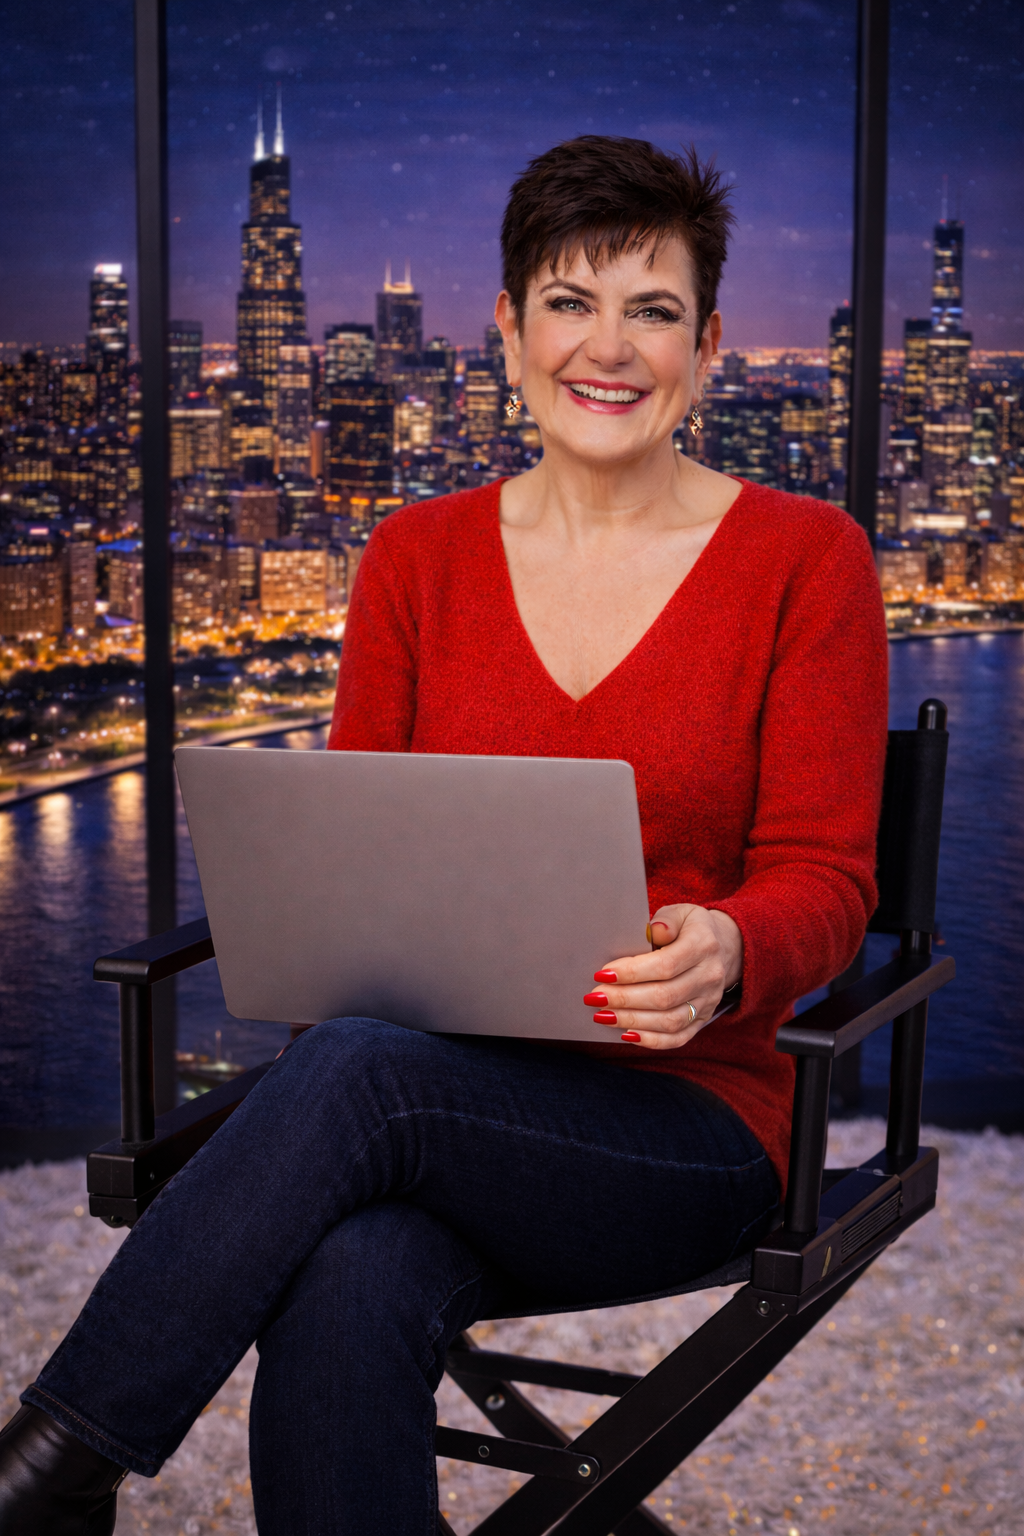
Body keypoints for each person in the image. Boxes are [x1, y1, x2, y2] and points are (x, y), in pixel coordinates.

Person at [0, 136, 887, 1536]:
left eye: (652, 310)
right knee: (354, 1267)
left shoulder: (806, 559)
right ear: (509, 332)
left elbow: (830, 881)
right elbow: (368, 871)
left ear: (709, 344)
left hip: (694, 1122)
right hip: (434, 1105)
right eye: (568, 302)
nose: (610, 347)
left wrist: (731, 943)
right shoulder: (414, 559)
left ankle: (53, 1471)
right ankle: (60, 1474)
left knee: (357, 1080)